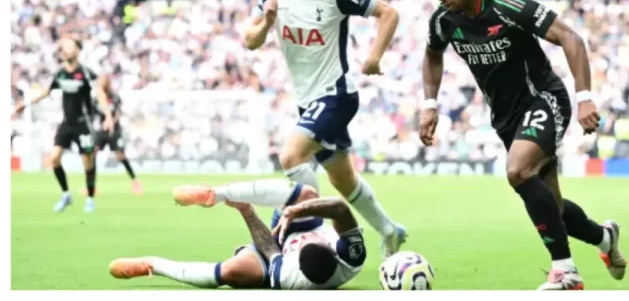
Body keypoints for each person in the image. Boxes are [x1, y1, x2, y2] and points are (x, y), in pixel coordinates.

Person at [419, 0, 627, 290]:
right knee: (552, 207)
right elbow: (432, 55)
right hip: (505, 116)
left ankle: (566, 272)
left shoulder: (507, 6)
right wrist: (429, 104)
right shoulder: (444, 20)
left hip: (543, 99)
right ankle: (604, 238)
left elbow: (569, 37)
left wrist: (585, 98)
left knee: (517, 170)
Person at [243, 0, 406, 258]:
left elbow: (389, 13)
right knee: (343, 180)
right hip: (307, 101)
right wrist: (267, 22)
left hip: (337, 94)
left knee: (290, 157)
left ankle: (313, 233)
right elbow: (250, 41)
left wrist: (374, 56)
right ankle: (390, 230)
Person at [109, 180, 366, 290]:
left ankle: (153, 264)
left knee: (232, 272)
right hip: (300, 223)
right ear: (333, 248)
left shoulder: (287, 276)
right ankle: (215, 194)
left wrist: (247, 212)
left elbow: (269, 248)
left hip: (277, 245)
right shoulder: (352, 258)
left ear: (296, 262)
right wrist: (297, 210)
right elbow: (341, 208)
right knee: (308, 193)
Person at [13, 37, 113, 213]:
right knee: (54, 158)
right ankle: (66, 193)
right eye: (63, 48)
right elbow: (45, 92)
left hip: (84, 123)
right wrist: (25, 103)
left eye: (69, 48)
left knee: (87, 163)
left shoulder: (86, 73)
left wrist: (108, 115)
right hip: (67, 123)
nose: (65, 51)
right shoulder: (60, 74)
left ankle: (90, 198)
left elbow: (100, 94)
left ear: (77, 51)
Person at [94, 78, 142, 195]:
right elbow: (92, 113)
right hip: (102, 131)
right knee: (92, 154)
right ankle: (91, 185)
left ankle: (134, 181)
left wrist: (110, 121)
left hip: (115, 131)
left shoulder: (114, 97)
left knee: (120, 156)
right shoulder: (96, 99)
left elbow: (118, 113)